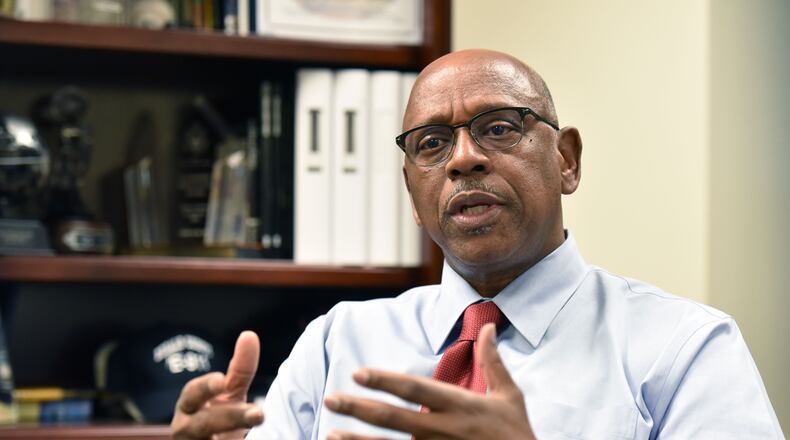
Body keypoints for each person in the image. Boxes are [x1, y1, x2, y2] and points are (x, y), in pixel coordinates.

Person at [170, 49, 783, 439]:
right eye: (432, 143)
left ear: (566, 160)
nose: (463, 158)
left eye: (498, 128)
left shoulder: (684, 349)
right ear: (414, 194)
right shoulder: (337, 341)